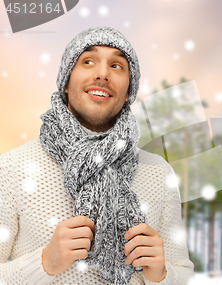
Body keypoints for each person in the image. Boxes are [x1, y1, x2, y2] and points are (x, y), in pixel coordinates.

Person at [0, 26, 195, 284]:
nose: (102, 74)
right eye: (88, 61)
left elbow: (184, 274)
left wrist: (162, 274)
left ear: (128, 94)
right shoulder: (13, 167)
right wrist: (45, 262)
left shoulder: (158, 172)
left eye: (116, 66)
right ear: (66, 83)